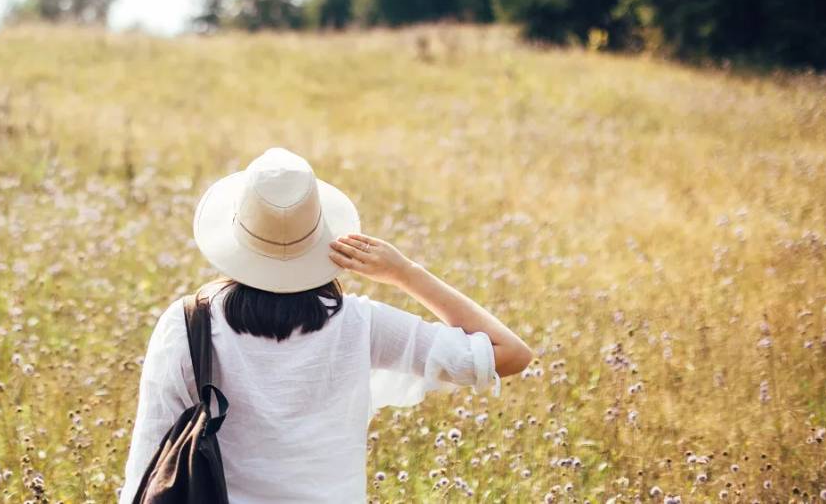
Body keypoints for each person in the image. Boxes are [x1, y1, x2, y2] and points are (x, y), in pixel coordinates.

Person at [119, 147, 533, 503]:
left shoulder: (188, 323)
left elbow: (149, 459)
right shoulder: (362, 324)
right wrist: (406, 273)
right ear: (322, 237)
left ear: (237, 235)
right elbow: (510, 354)